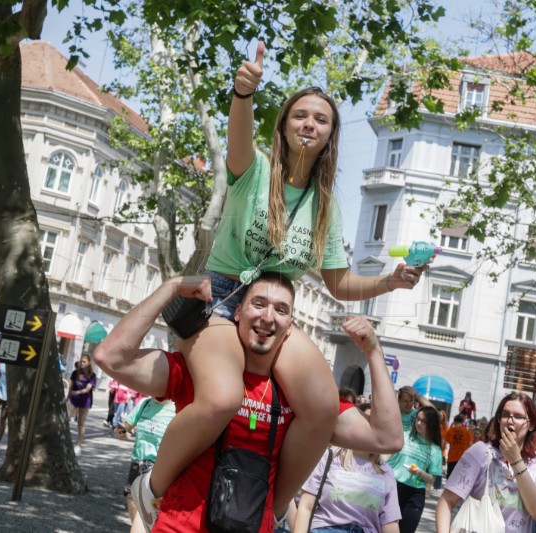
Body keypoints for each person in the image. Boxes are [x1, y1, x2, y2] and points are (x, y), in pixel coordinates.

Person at [131, 42, 428, 529]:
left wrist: (389, 282)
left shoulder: (326, 205)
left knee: (321, 405)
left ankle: (271, 508)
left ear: (331, 135)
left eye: (322, 119)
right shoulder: (255, 169)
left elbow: (338, 282)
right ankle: (152, 486)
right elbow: (238, 135)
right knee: (223, 397)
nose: (310, 124)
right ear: (285, 125)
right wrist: (243, 92)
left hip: (275, 308)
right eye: (300, 116)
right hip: (222, 300)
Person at [94, 273, 398, 532]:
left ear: (290, 326)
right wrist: (170, 288)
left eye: (281, 310)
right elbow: (111, 357)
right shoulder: (199, 374)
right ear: (237, 312)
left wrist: (372, 351)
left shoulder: (299, 400)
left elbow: (387, 437)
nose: (268, 317)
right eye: (259, 304)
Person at [435, 392, 536, 532]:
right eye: (505, 415)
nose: (510, 420)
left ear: (531, 424)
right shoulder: (480, 452)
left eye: (518, 416)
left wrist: (516, 461)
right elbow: (447, 501)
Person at [294, 425, 401, 533]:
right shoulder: (329, 456)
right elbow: (306, 507)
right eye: (366, 423)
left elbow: (389, 522)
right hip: (327, 528)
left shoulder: (386, 472)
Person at [116, 396, 177, 533]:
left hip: (158, 466)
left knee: (147, 505)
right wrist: (121, 431)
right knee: (132, 498)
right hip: (137, 462)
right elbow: (126, 426)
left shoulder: (177, 408)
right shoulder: (144, 403)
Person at [387, 405, 443, 532]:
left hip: (415, 494)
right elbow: (386, 458)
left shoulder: (435, 450)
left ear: (432, 424)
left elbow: (432, 479)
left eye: (423, 421)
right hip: (394, 487)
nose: (419, 423)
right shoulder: (404, 436)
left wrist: (420, 472)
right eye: (417, 419)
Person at [66, 353, 96, 456]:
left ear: (88, 363)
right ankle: (65, 441)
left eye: (84, 361)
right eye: (81, 361)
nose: (82, 363)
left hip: (85, 400)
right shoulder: (75, 372)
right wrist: (68, 396)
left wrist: (77, 392)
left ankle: (78, 445)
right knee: (66, 418)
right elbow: (71, 386)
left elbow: (88, 389)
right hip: (74, 398)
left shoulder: (92, 375)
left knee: (81, 423)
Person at [444, 414, 474, 478]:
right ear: (463, 422)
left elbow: (444, 443)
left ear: (454, 421)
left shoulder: (450, 431)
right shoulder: (467, 432)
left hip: (452, 457)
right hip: (463, 459)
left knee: (450, 478)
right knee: (460, 479)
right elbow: (471, 445)